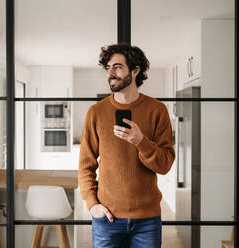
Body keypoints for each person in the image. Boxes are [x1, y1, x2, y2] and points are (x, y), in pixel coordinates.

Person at [78, 43, 175, 248]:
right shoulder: (96, 112)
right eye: (108, 68)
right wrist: (92, 204)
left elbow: (165, 165)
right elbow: (86, 165)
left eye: (118, 67)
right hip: (107, 218)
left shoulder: (157, 110)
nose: (111, 73)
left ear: (135, 70)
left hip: (147, 219)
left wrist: (141, 141)